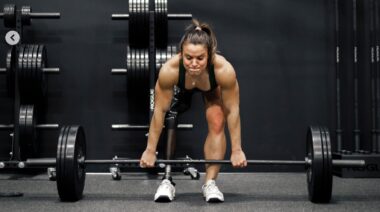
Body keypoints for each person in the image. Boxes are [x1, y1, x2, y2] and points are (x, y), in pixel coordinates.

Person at [139, 19, 247, 203]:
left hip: (210, 89)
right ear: (181, 54)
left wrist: (237, 149)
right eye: (189, 57)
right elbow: (159, 111)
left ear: (210, 54)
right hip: (181, 89)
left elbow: (233, 110)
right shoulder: (170, 70)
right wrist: (150, 150)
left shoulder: (223, 70)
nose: (194, 63)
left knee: (217, 118)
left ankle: (210, 183)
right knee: (169, 117)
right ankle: (167, 180)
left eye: (200, 58)